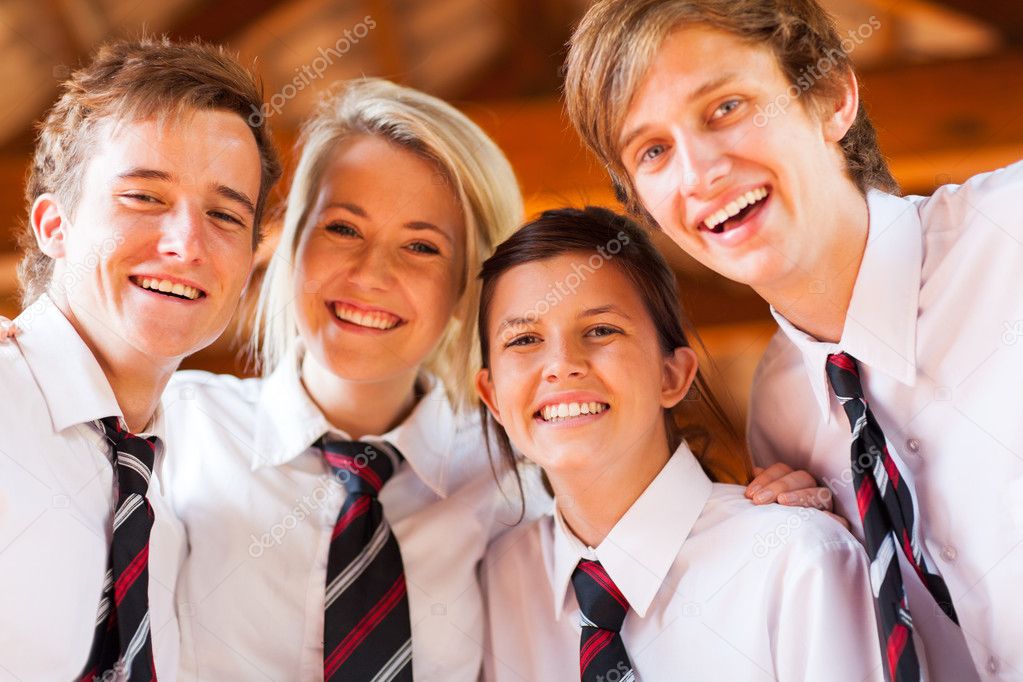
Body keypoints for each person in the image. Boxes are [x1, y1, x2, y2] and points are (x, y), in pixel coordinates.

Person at [563, 1, 1021, 679]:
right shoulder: (779, 413)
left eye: (724, 107)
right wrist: (803, 539)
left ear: (832, 97)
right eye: (653, 151)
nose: (699, 172)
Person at [161, 78, 526, 681]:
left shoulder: (510, 480)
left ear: (467, 288)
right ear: (292, 243)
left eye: (422, 247)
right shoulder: (175, 427)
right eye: (344, 229)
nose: (371, 274)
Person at [475, 206, 883, 681]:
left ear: (673, 375)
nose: (562, 365)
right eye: (524, 339)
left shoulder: (798, 564)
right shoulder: (495, 583)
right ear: (493, 399)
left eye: (601, 330)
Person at [0, 36, 280, 680]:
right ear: (54, 225)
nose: (186, 244)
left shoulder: (169, 497)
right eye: (145, 197)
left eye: (224, 214)